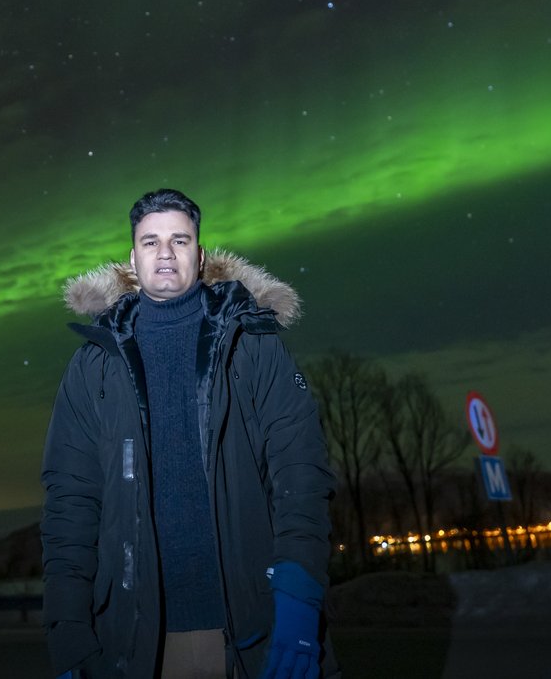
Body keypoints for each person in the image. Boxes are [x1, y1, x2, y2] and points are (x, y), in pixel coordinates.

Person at [41, 188, 340, 679]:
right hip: (137, 643)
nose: (165, 252)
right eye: (150, 241)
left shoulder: (254, 344)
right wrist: (68, 630)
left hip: (249, 629)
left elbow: (301, 476)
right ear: (132, 260)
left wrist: (298, 597)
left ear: (199, 257)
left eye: (179, 240)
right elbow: (70, 502)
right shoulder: (92, 365)